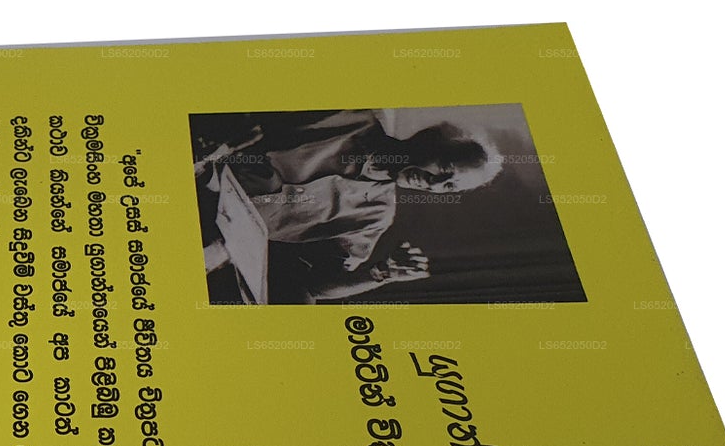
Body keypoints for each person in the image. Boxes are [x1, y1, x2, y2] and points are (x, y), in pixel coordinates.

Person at [196, 108, 503, 301]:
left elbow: (316, 285)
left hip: (215, 241)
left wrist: (381, 274)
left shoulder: (375, 216)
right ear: (430, 137)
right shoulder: (351, 118)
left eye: (449, 186)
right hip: (198, 175)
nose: (435, 183)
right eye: (445, 167)